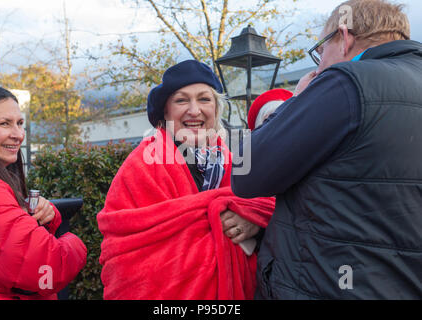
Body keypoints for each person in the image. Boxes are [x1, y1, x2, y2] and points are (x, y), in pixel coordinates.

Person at [231, 0, 422, 299]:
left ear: (343, 39)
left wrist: (296, 101)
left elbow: (246, 172)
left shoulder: (346, 82)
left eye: (320, 51)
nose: (319, 66)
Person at [97, 60, 274, 300]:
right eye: (181, 100)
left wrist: (253, 223)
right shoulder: (140, 166)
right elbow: (130, 258)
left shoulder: (235, 164)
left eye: (204, 99)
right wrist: (221, 236)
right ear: (165, 112)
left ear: (216, 109)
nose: (194, 110)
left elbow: (272, 210)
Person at [0, 84, 87, 300]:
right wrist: (74, 242)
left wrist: (48, 216)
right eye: (4, 124)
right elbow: (49, 269)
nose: (18, 135)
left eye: (20, 124)